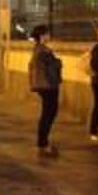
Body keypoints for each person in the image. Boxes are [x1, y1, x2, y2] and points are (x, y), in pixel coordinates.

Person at [27, 25, 61, 157]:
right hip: (48, 86)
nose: (49, 36)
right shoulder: (43, 51)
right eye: (47, 33)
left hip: (44, 85)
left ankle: (43, 142)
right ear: (42, 36)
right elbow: (52, 67)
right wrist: (57, 61)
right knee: (49, 113)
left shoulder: (38, 49)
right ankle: (43, 144)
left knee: (48, 113)